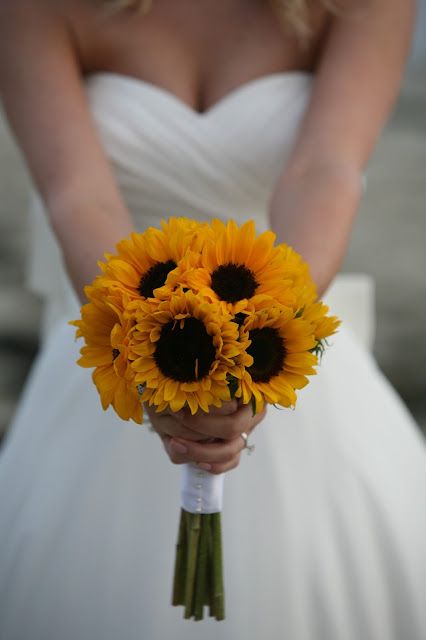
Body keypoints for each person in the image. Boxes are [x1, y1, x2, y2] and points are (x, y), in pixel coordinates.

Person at [0, 1, 425, 638]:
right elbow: (77, 193)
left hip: (287, 324)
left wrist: (263, 346)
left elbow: (325, 170)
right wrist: (144, 354)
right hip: (114, 339)